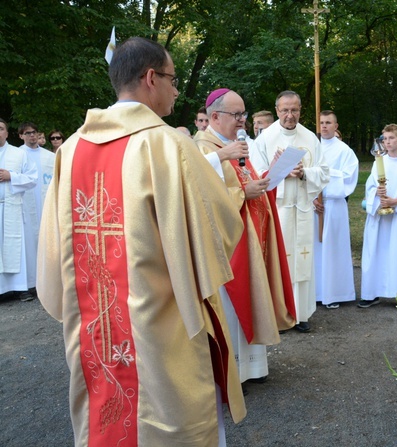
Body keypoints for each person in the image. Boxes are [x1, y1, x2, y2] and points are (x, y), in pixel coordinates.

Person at [36, 37, 246, 446]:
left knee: (107, 413)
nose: (175, 89)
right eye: (171, 78)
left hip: (96, 321)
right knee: (170, 408)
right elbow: (216, 228)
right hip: (162, 317)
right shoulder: (169, 145)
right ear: (151, 78)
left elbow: (51, 245)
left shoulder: (72, 150)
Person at [194, 87, 296, 384]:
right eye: (236, 115)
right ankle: (231, 373)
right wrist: (242, 192)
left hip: (249, 234)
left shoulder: (235, 144)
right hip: (225, 246)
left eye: (243, 114)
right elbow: (198, 193)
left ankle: (253, 367)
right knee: (229, 304)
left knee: (251, 295)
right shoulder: (202, 146)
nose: (242, 121)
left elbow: (245, 179)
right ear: (215, 116)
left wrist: (268, 177)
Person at [250, 91, 329, 333]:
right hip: (279, 209)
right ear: (277, 110)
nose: (289, 115)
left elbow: (324, 171)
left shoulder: (310, 138)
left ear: (300, 110)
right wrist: (279, 169)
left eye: (294, 110)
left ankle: (301, 314)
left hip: (303, 208)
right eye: (285, 110)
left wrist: (304, 172)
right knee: (279, 259)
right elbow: (257, 174)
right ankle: (280, 314)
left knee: (302, 260)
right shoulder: (265, 138)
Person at [359, 124, 397, 309]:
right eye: (384, 139)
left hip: (396, 217)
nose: (387, 142)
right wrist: (377, 194)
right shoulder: (379, 161)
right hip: (378, 216)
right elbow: (369, 188)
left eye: (391, 138)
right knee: (374, 253)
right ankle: (370, 293)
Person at [313, 110, 358, 309]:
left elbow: (349, 177)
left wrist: (325, 175)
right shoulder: (313, 148)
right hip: (315, 205)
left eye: (328, 122)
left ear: (336, 126)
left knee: (333, 249)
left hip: (334, 204)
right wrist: (312, 196)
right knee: (315, 250)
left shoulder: (344, 150)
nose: (324, 126)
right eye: (321, 122)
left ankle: (334, 293)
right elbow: (304, 174)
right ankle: (316, 292)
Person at [0, 118, 38, 301]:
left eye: (0, 129)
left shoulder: (18, 154)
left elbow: (32, 179)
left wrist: (11, 176)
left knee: (16, 246)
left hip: (12, 208)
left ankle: (21, 288)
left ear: (7, 133)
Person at [18, 121, 55, 300]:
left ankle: (50, 281)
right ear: (21, 136)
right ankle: (31, 283)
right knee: (29, 245)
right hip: (25, 206)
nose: (32, 136)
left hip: (46, 203)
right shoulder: (17, 155)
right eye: (28, 133)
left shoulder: (50, 156)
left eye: (34, 132)